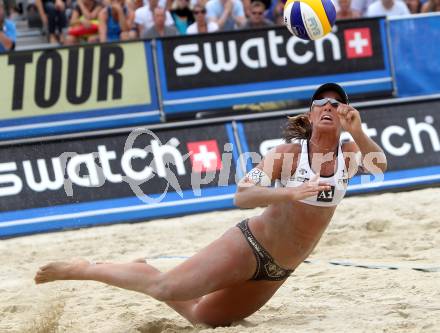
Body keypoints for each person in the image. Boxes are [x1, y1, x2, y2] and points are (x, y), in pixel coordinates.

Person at [34, 83, 387, 328]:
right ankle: (83, 268)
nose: (328, 106)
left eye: (336, 103)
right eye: (320, 103)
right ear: (309, 117)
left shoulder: (349, 153)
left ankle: (141, 268)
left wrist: (357, 131)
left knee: (204, 318)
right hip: (250, 246)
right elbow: (242, 196)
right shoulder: (290, 156)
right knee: (165, 289)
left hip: (280, 269)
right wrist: (290, 193)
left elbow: (380, 166)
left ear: (344, 115)